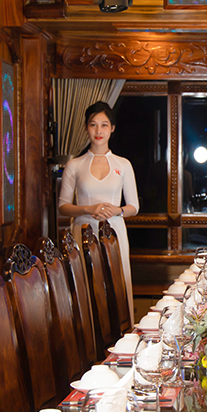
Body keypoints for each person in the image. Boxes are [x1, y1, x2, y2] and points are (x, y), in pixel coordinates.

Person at [59, 101, 139, 319]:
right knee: (86, 288)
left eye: (104, 125)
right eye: (93, 125)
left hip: (115, 232)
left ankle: (121, 333)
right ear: (86, 127)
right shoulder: (75, 165)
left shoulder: (123, 164)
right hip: (83, 230)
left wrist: (117, 210)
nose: (98, 131)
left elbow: (133, 207)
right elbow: (63, 206)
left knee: (116, 287)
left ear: (112, 128)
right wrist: (88, 208)